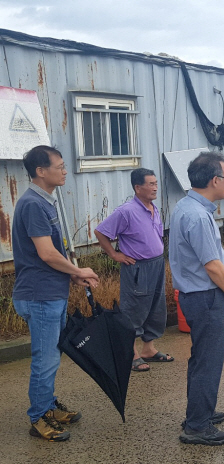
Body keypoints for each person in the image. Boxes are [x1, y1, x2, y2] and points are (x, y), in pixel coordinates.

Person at [12, 145, 99, 442]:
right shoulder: (34, 204)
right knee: (45, 358)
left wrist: (70, 277)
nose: (64, 171)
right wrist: (78, 272)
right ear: (40, 171)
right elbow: (47, 254)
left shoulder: (45, 201)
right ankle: (39, 418)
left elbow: (50, 255)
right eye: (60, 166)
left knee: (51, 355)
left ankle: (48, 405)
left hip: (50, 292)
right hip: (39, 296)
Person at [169, 152, 224, 446]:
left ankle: (199, 412)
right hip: (205, 296)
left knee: (201, 358)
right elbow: (211, 265)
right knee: (209, 361)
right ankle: (197, 425)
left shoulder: (188, 206)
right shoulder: (197, 215)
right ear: (214, 180)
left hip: (196, 295)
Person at [94, 168, 172, 373]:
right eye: (151, 184)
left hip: (156, 265)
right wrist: (114, 254)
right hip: (138, 268)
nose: (155, 187)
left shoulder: (153, 207)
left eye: (156, 183)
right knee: (135, 308)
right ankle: (132, 353)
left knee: (156, 307)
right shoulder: (126, 211)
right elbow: (101, 232)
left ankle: (148, 349)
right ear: (138, 188)